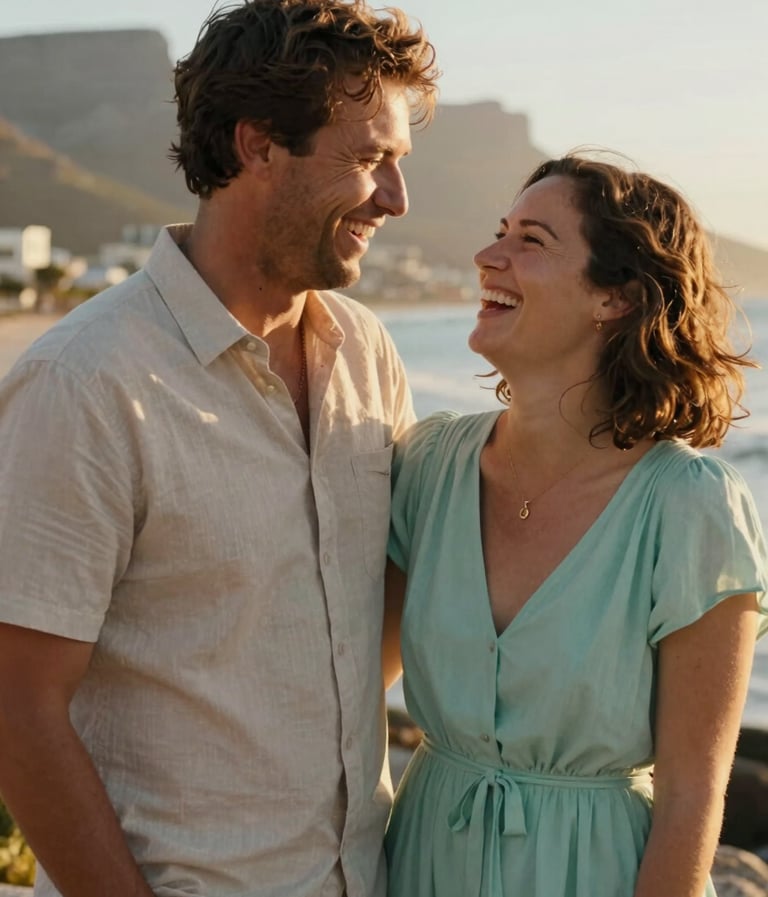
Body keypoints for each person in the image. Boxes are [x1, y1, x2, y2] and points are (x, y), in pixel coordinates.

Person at [0, 2, 438, 896]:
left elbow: (362, 623)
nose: (397, 198)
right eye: (368, 159)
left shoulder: (367, 351)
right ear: (257, 145)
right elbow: (15, 707)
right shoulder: (84, 383)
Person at [382, 153, 768, 897]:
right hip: (421, 864)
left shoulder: (691, 506)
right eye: (501, 231)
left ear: (615, 297)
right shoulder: (428, 467)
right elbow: (350, 684)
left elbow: (691, 797)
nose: (487, 256)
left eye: (531, 240)